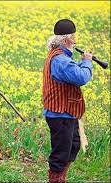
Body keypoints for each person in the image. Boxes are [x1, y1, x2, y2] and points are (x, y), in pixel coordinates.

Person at [42, 19, 93, 183]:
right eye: (73, 38)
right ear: (65, 40)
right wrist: (87, 62)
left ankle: (61, 178)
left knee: (73, 147)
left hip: (67, 112)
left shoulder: (62, 57)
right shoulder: (60, 59)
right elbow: (81, 77)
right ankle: (56, 179)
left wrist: (81, 62)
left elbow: (70, 72)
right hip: (60, 114)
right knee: (61, 153)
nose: (76, 41)